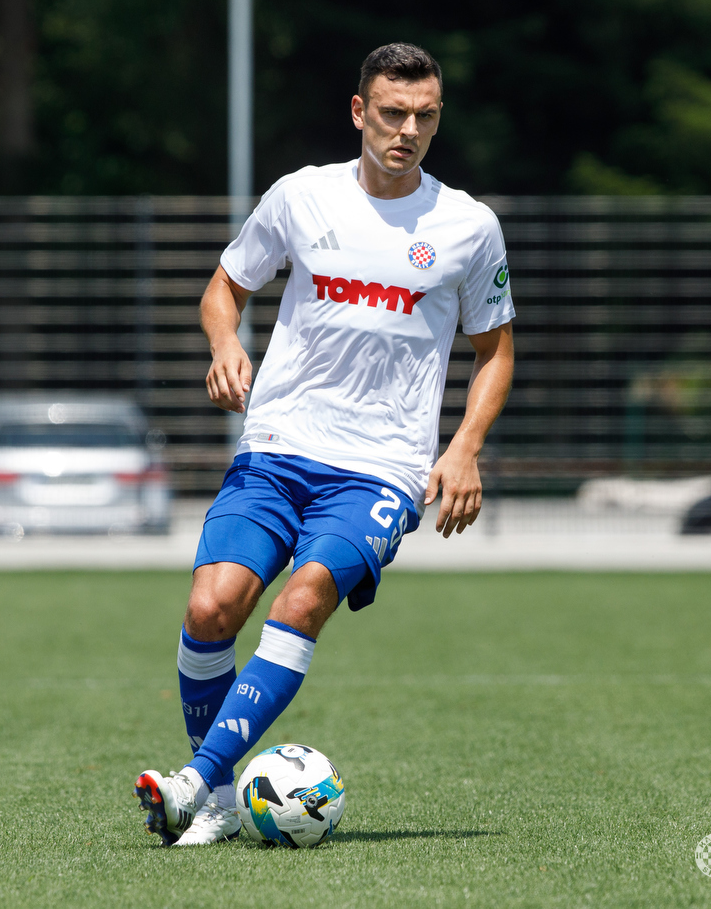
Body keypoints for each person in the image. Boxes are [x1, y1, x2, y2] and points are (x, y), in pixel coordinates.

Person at [133, 43, 515, 845]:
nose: (407, 130)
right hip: (276, 447)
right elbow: (224, 287)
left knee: (303, 598)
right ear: (358, 111)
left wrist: (465, 448)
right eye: (392, 113)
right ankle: (223, 805)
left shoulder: (468, 227)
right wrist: (224, 343)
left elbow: (496, 350)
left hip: (381, 469)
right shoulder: (300, 197)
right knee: (211, 609)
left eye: (425, 116)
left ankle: (195, 784)